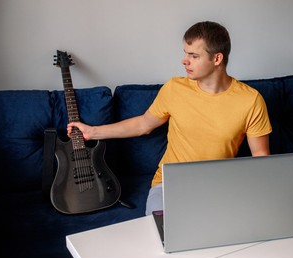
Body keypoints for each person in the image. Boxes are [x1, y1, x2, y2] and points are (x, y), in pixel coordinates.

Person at [67, 21, 272, 215]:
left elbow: (261, 156)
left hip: (218, 186)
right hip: (168, 186)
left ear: (217, 59)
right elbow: (143, 124)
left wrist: (258, 198)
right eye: (185, 53)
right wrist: (91, 131)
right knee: (164, 236)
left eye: (193, 55)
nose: (184, 60)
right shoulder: (175, 88)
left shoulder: (250, 100)